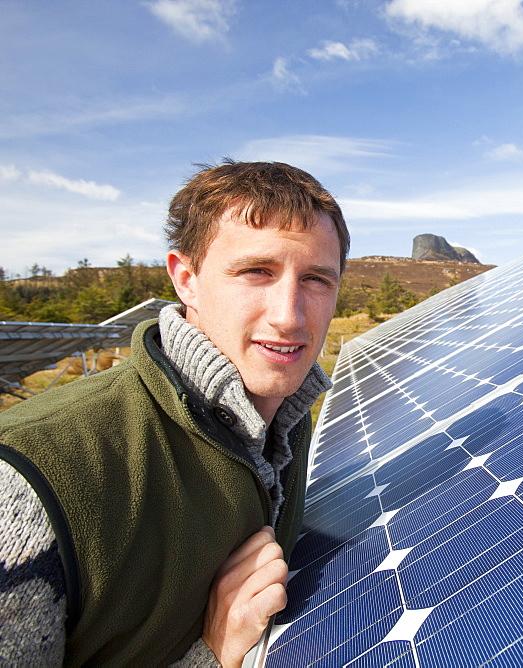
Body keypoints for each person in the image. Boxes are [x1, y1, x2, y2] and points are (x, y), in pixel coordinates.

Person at [0, 160, 349, 666]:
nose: (289, 315)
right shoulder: (29, 482)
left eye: (317, 279)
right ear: (186, 279)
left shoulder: (289, 424)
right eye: (257, 271)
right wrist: (212, 652)